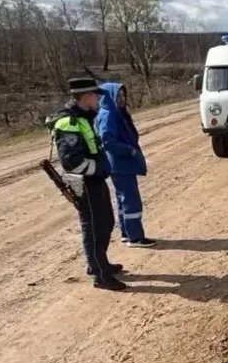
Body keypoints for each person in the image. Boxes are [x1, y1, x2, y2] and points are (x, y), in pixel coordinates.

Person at [49, 76, 127, 291]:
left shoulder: (84, 117)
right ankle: (100, 275)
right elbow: (71, 162)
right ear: (86, 97)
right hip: (85, 183)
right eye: (96, 96)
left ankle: (99, 264)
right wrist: (99, 169)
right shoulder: (70, 123)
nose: (99, 100)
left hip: (95, 181)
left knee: (107, 223)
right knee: (93, 228)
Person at [95, 82, 156, 248]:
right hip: (120, 164)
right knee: (131, 200)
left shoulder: (114, 113)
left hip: (120, 164)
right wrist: (129, 151)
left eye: (123, 95)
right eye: (118, 96)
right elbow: (107, 141)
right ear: (109, 97)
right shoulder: (109, 115)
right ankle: (135, 237)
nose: (122, 99)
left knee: (124, 200)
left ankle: (126, 233)